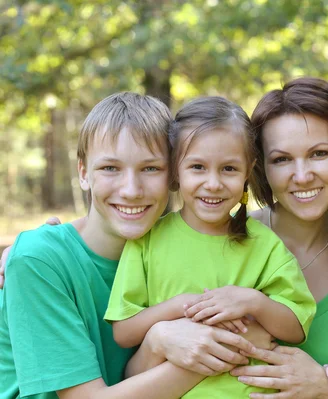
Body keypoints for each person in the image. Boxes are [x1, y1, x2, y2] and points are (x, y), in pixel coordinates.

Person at [0, 92, 258, 399]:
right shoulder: (40, 260)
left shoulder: (192, 251)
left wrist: (155, 344)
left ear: (174, 174)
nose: (132, 190)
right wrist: (221, 351)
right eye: (110, 168)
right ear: (83, 173)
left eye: (150, 169)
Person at [104, 96, 316, 398]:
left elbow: (296, 327)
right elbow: (124, 332)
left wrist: (253, 301)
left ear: (247, 173)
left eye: (228, 169)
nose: (213, 183)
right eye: (198, 167)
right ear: (175, 171)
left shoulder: (264, 244)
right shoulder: (148, 240)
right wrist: (179, 307)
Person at [229, 77, 328, 399]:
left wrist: (321, 387)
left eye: (319, 153)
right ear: (261, 169)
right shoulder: (225, 237)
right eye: (282, 159)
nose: (302, 176)